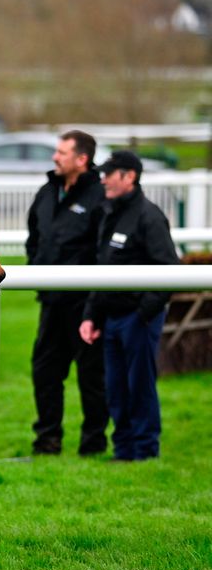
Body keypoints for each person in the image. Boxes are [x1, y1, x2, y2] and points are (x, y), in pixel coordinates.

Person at [79, 151, 179, 462]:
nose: (104, 179)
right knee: (116, 388)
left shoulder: (149, 216)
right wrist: (91, 315)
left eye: (111, 173)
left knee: (140, 387)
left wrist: (143, 313)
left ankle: (145, 451)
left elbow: (169, 269)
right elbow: (103, 267)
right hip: (111, 318)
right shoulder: (110, 212)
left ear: (130, 177)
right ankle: (123, 450)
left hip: (139, 318)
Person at [25, 130, 110, 456]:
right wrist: (37, 266)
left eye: (61, 152)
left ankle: (93, 443)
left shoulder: (100, 196)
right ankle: (47, 440)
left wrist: (94, 304)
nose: (54, 157)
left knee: (91, 376)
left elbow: (103, 251)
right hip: (51, 301)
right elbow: (35, 237)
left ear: (81, 159)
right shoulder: (48, 191)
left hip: (86, 304)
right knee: (44, 371)